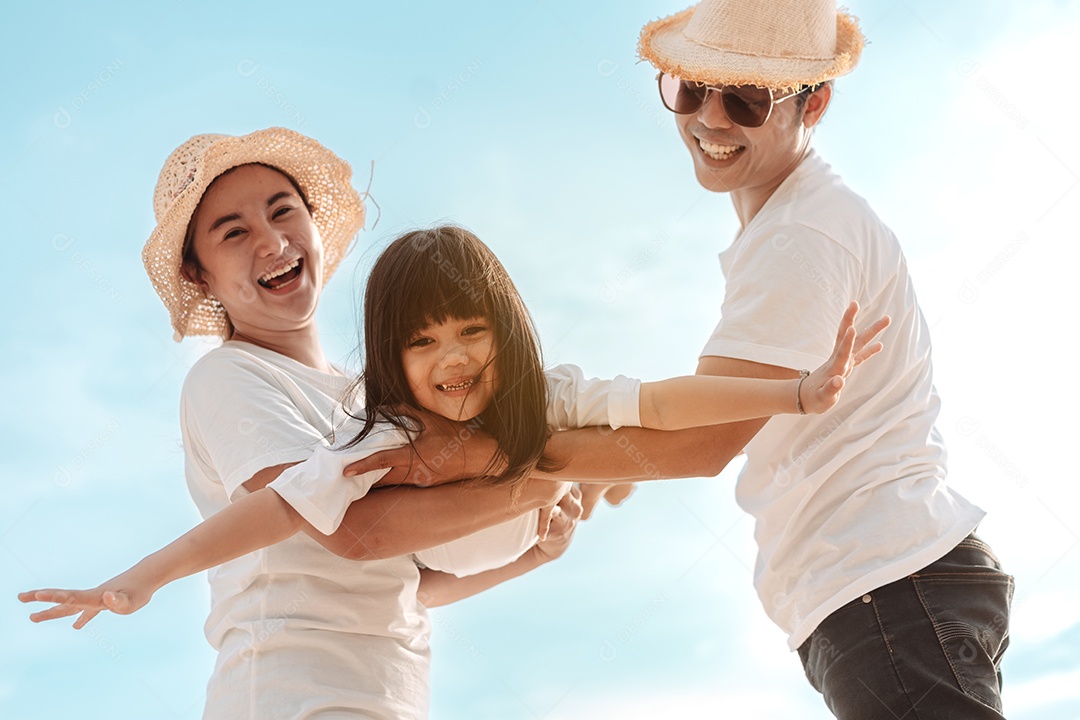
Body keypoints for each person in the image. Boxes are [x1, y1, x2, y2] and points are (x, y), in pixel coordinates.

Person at [347, 2, 1014, 717]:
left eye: (747, 99)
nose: (711, 119)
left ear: (813, 103)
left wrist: (491, 452)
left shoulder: (802, 238)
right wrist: (598, 461)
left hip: (888, 587)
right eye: (690, 89)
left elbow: (699, 443)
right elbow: (695, 419)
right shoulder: (791, 226)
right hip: (886, 593)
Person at [20, 225, 884, 627]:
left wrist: (796, 395)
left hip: (484, 533)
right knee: (544, 449)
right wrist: (146, 576)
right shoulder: (383, 432)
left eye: (473, 330)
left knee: (563, 433)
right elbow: (283, 508)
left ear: (507, 330)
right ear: (392, 363)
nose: (454, 358)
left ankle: (565, 469)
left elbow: (660, 400)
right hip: (437, 527)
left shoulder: (542, 391)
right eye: (423, 341)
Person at [19, 128, 581, 720]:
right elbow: (349, 532)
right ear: (198, 275)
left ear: (313, 225)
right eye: (233, 232)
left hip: (385, 697)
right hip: (293, 694)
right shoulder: (230, 376)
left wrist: (533, 554)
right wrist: (537, 480)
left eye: (283, 211)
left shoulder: (376, 402)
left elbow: (410, 585)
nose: (271, 240)